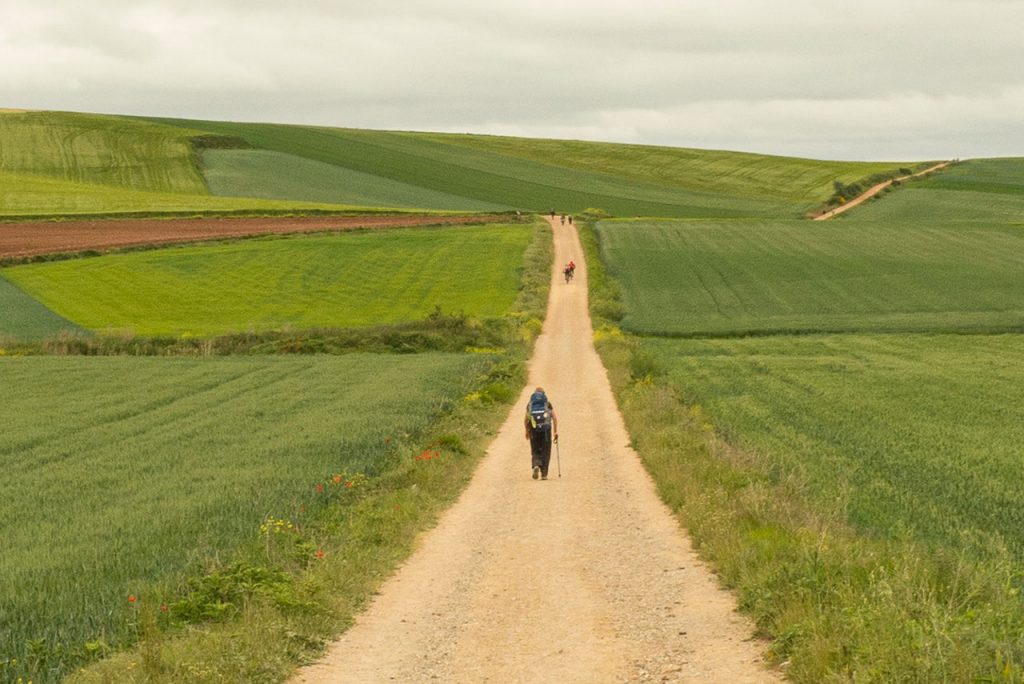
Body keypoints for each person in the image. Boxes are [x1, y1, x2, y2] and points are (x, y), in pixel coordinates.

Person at [524, 387, 558, 480]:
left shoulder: (530, 404)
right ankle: (544, 474)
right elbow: (555, 418)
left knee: (535, 449)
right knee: (546, 451)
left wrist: (527, 431)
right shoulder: (547, 404)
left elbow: (526, 419)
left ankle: (536, 464)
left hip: (534, 429)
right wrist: (555, 432)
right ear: (543, 394)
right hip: (546, 430)